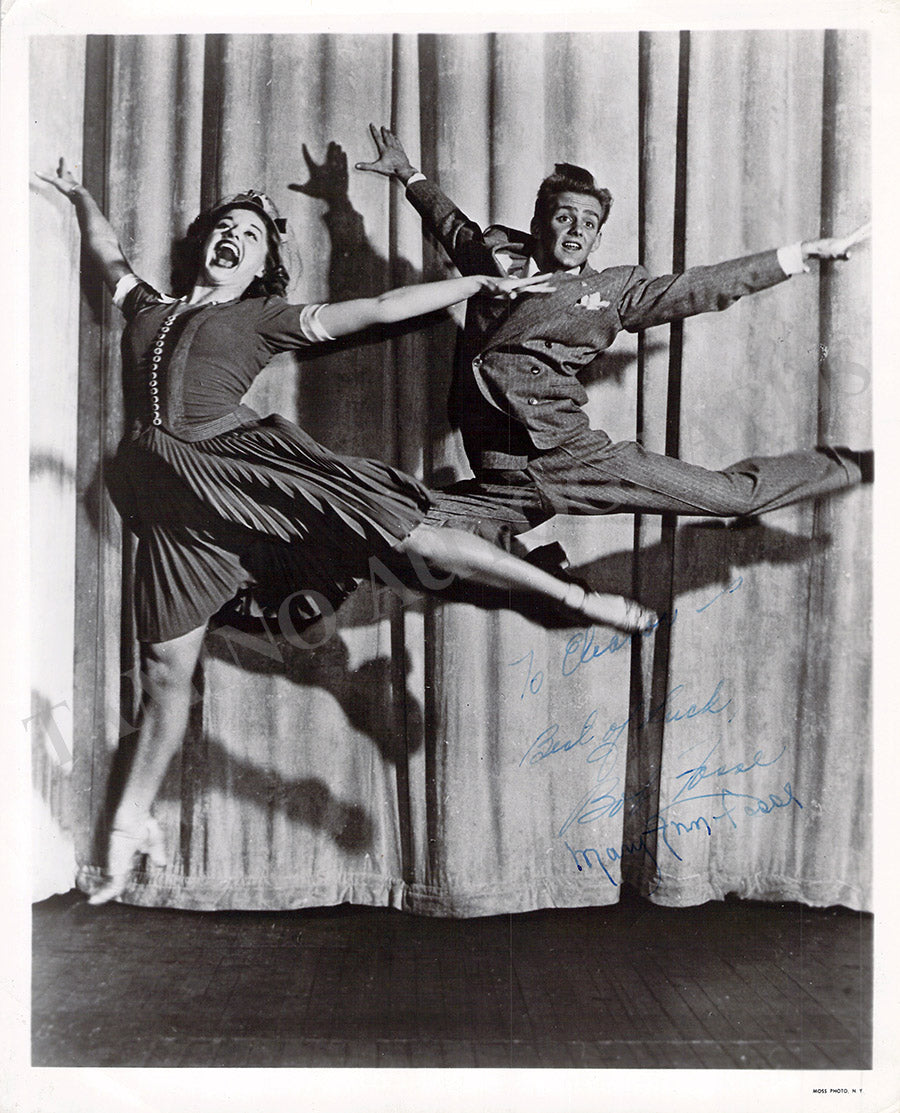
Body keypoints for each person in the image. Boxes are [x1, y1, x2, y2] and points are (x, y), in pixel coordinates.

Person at [37, 158, 657, 905]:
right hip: (176, 504)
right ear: (204, 243)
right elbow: (108, 254)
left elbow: (381, 309)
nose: (234, 239)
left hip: (248, 466)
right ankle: (130, 823)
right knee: (166, 675)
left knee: (410, 532)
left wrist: (473, 284)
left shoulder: (262, 318)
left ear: (263, 268)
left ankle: (573, 597)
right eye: (226, 229)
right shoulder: (146, 308)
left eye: (252, 237)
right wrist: (80, 194)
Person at [356, 126, 871, 551]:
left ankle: (848, 464)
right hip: (500, 474)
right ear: (538, 224)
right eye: (564, 218)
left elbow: (700, 288)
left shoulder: (611, 290)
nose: (576, 231)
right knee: (392, 533)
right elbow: (449, 222)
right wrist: (406, 172)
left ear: (598, 237)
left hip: (568, 459)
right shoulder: (493, 257)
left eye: (589, 223)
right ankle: (542, 571)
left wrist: (798, 255)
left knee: (732, 498)